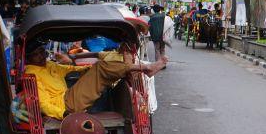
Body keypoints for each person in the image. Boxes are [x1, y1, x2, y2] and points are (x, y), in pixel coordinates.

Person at [23, 39, 167, 120]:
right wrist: (63, 114)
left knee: (98, 68)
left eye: (42, 52)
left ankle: (136, 68)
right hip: (64, 105)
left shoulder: (49, 65)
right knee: (101, 68)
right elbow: (42, 103)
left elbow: (69, 70)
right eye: (36, 55)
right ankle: (143, 68)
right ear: (29, 58)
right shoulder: (32, 74)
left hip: (70, 96)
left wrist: (88, 69)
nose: (41, 56)